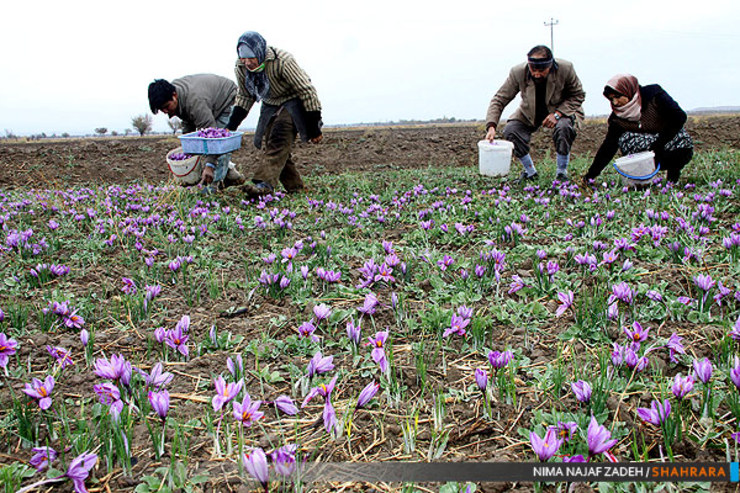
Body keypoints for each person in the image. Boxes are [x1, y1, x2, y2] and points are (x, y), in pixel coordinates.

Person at [225, 31, 323, 198]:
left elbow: (306, 91)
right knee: (272, 143)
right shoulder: (241, 67)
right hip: (270, 102)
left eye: (251, 57)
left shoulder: (282, 61)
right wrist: (230, 126)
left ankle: (263, 184)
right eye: (243, 57)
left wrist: (314, 127)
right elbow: (245, 96)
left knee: (279, 136)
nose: (247, 62)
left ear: (260, 52)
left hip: (294, 99)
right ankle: (296, 188)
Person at [485, 45, 585, 183]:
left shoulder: (565, 69)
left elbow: (578, 95)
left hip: (561, 111)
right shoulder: (518, 72)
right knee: (511, 130)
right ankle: (530, 172)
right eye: (534, 69)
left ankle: (562, 173)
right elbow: (499, 99)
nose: (537, 74)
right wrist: (491, 125)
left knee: (564, 128)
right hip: (530, 112)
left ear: (550, 66)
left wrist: (557, 114)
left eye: (542, 70)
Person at [583, 74, 693, 185]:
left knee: (681, 138)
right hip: (643, 149)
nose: (615, 102)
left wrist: (659, 144)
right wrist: (591, 174)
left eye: (617, 96)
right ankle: (640, 181)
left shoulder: (654, 96)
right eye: (611, 99)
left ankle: (673, 175)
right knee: (625, 139)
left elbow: (679, 117)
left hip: (666, 141)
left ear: (627, 91)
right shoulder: (617, 118)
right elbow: (608, 147)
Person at [148, 75, 245, 189]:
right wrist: (187, 147)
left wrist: (209, 165)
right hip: (209, 102)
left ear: (174, 95)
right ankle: (230, 174)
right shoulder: (174, 94)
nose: (165, 112)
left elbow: (212, 136)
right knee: (199, 145)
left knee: (220, 143)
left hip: (227, 98)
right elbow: (188, 120)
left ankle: (213, 186)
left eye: (166, 107)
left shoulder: (195, 102)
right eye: (161, 109)